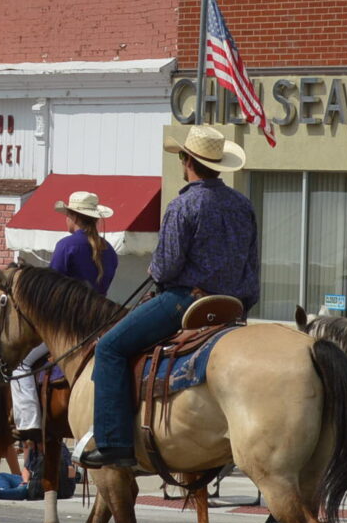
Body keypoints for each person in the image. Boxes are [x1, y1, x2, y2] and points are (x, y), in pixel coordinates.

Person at [80, 126, 258, 470]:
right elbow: (252, 266)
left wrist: (155, 269)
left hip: (185, 302)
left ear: (187, 160)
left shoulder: (183, 205)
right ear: (218, 165)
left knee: (110, 348)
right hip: (230, 306)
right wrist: (241, 307)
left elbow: (167, 267)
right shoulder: (243, 206)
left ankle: (114, 443)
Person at [11, 190, 119, 440]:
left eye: (67, 215)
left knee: (20, 364)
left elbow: (50, 294)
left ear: (72, 216)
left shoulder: (66, 245)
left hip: (67, 327)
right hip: (101, 323)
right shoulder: (109, 250)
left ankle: (28, 423)